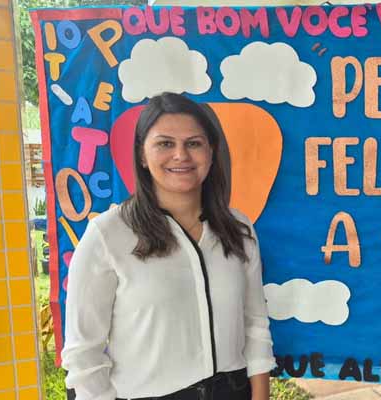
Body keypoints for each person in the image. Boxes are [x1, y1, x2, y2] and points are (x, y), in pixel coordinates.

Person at [61, 92, 275, 400]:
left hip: (233, 390)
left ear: (211, 152)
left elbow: (254, 323)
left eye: (194, 143)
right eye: (164, 144)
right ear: (142, 155)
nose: (180, 155)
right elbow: (83, 355)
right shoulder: (108, 235)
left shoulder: (238, 229)